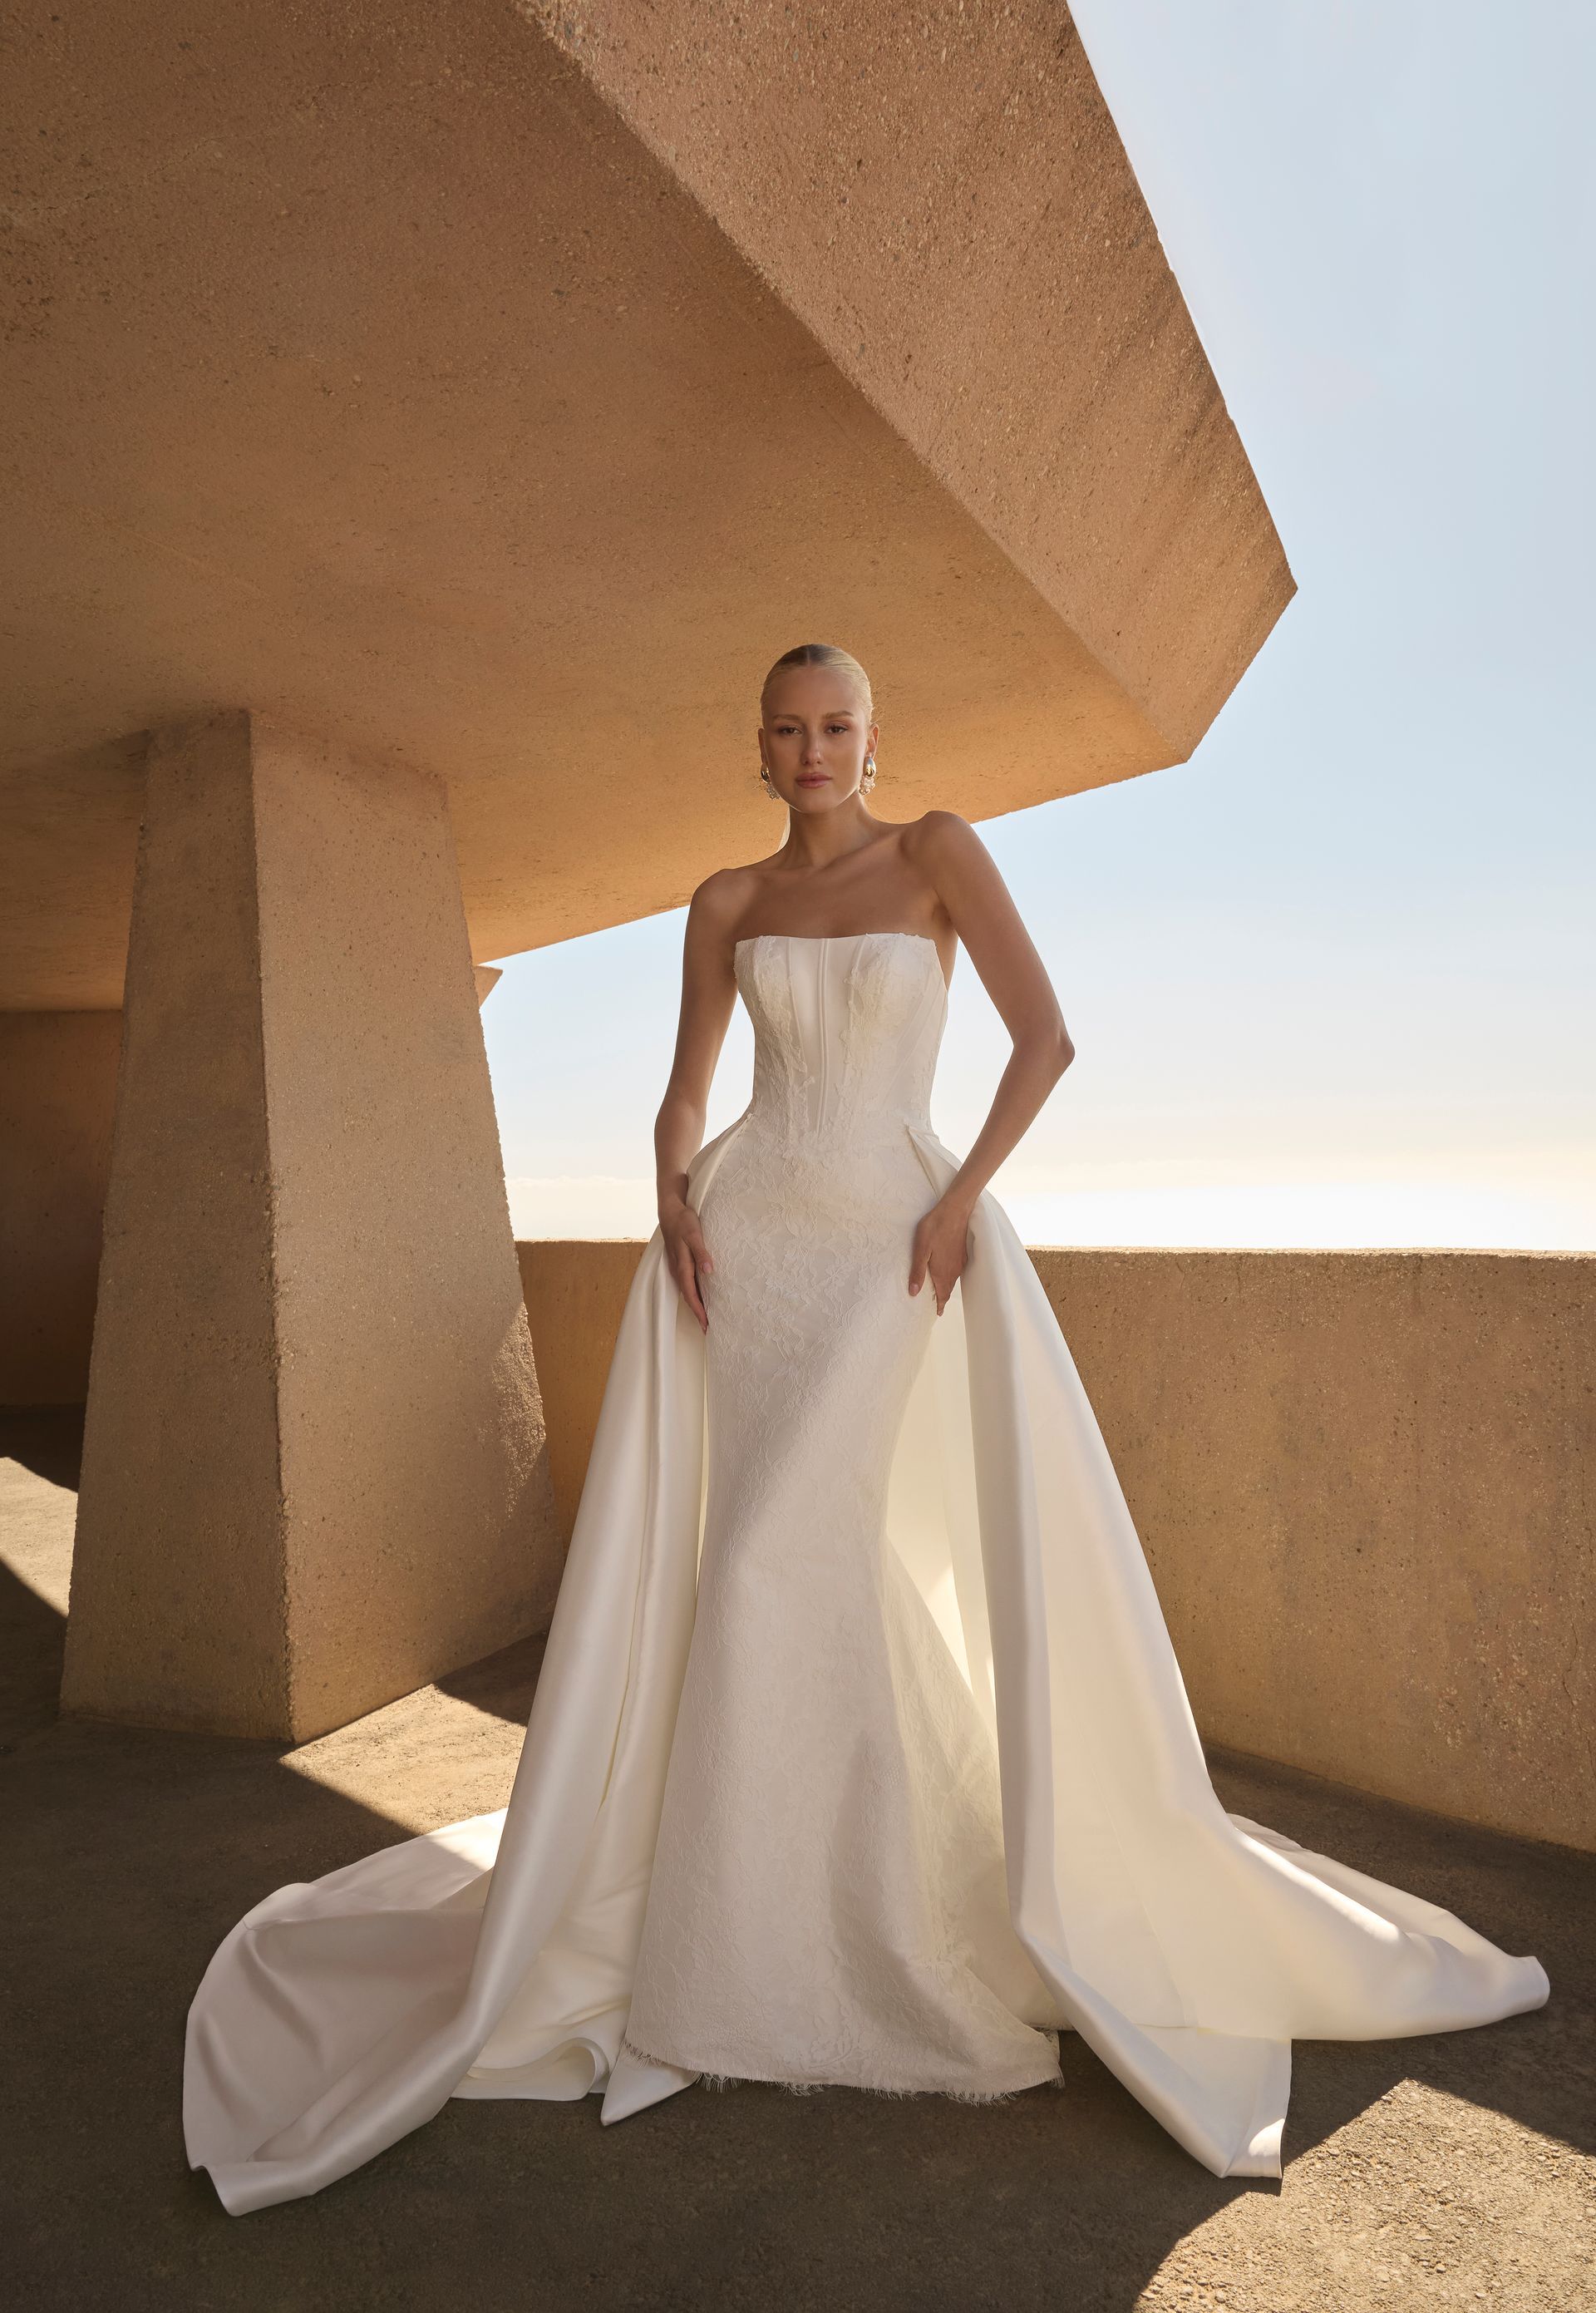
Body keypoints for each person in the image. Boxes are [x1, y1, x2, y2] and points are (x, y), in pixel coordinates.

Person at [184, 644, 1549, 2216]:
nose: (813, 749)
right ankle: (756, 1930)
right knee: (778, 1570)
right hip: (751, 1250)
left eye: (836, 725)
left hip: (897, 1246)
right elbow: (685, 1090)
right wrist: (672, 1196)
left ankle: (860, 1931)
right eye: (787, 729)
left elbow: (1046, 1040)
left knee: (785, 1560)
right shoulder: (724, 901)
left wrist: (959, 1201)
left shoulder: (938, 853)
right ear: (761, 748)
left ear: (871, 740)